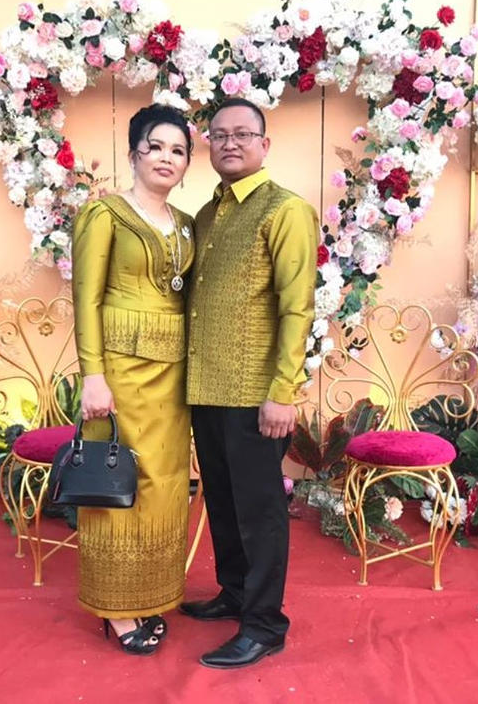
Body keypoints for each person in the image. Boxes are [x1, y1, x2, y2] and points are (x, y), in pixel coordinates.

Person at [182, 97, 318, 668]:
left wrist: (283, 392)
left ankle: (264, 624)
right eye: (219, 135)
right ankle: (235, 593)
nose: (230, 143)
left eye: (242, 134)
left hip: (257, 396)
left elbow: (297, 307)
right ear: (209, 145)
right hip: (206, 388)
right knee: (220, 499)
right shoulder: (206, 215)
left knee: (259, 511)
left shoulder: (285, 210)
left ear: (265, 144)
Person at [72, 104, 195, 655]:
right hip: (120, 374)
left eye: (178, 150)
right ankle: (116, 608)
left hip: (174, 378)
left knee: (164, 483)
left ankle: (150, 592)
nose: (166, 158)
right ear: (134, 153)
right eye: (156, 146)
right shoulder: (105, 215)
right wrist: (92, 375)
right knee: (121, 477)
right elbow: (86, 298)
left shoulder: (187, 225)